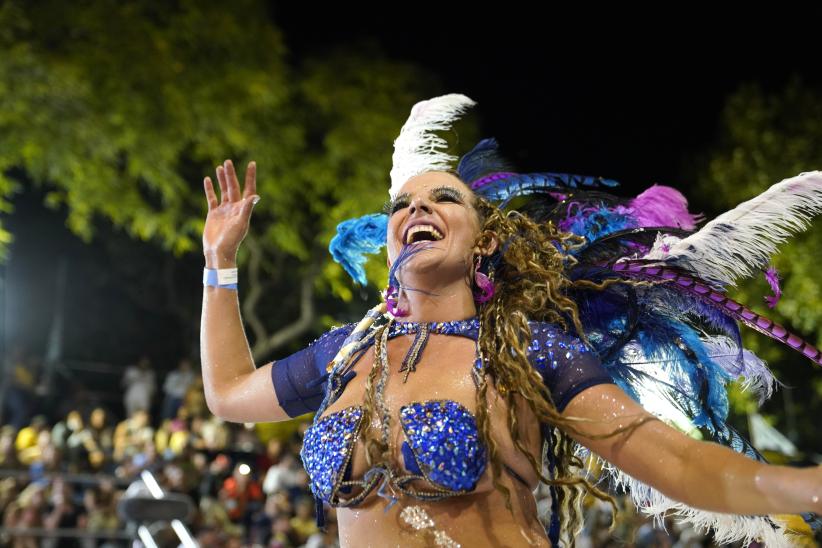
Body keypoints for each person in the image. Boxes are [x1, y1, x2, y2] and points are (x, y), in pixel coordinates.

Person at [200, 93, 822, 547]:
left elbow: (681, 465)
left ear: (482, 245)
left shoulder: (526, 351)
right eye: (403, 204)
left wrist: (805, 487)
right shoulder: (345, 355)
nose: (417, 207)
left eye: (444, 198)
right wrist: (219, 265)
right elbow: (228, 394)